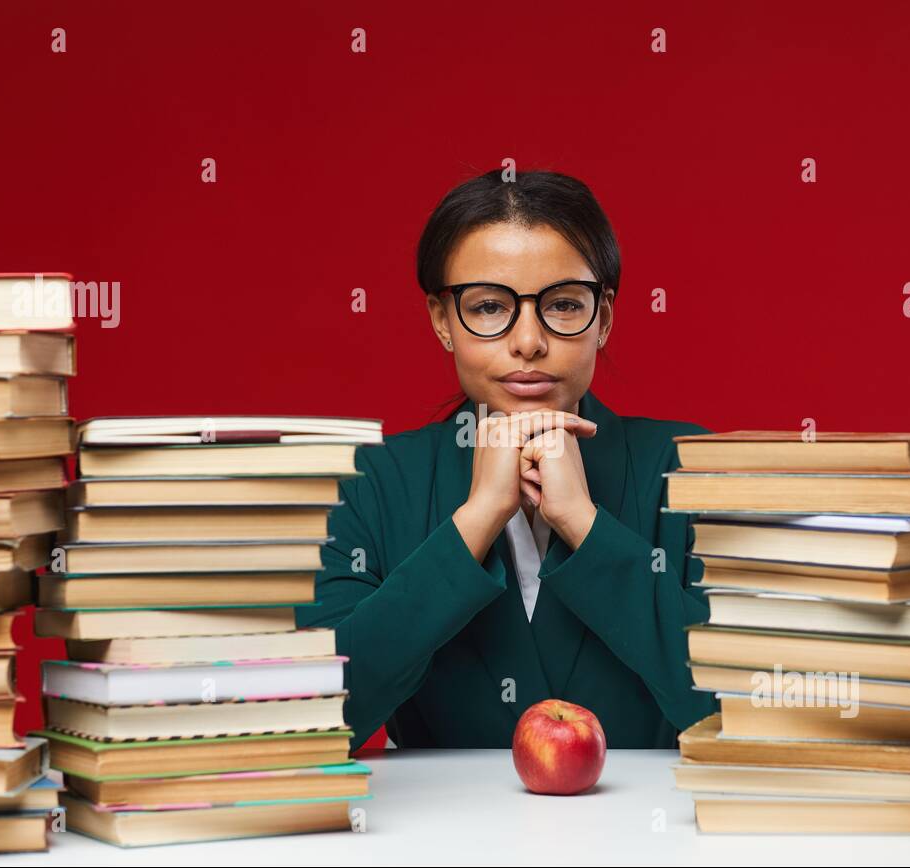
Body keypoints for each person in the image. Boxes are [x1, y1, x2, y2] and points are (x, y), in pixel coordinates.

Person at [300, 170, 714, 749]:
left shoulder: (690, 470)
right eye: (490, 307)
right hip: (438, 837)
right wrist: (475, 521)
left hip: (654, 833)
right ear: (443, 321)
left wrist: (588, 529)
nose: (527, 342)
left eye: (565, 304)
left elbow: (749, 708)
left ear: (606, 318)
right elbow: (312, 716)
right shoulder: (370, 483)